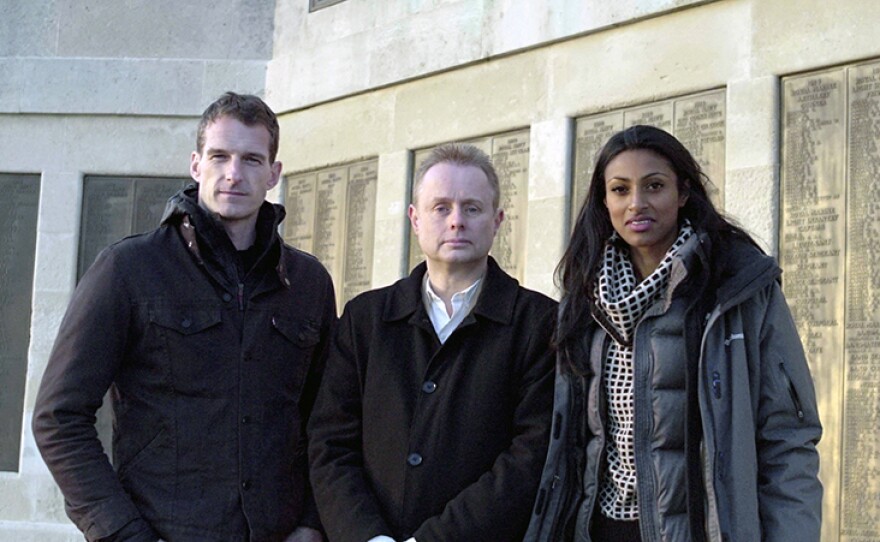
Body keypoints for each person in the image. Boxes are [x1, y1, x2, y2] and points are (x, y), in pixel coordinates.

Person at [33, 92, 335, 542]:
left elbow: (327, 419)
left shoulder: (307, 283)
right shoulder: (128, 270)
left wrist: (312, 524)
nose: (233, 174)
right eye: (220, 156)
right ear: (196, 165)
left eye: (252, 160)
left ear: (273, 174)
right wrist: (121, 532)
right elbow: (59, 416)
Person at [524, 125, 822, 542]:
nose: (636, 203)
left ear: (683, 194)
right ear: (604, 200)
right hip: (596, 529)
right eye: (620, 189)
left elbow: (787, 438)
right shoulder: (583, 301)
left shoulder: (738, 290)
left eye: (654, 186)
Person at [308, 143, 557, 542]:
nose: (456, 221)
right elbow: (330, 443)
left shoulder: (538, 323)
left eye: (472, 208)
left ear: (497, 220)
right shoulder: (365, 320)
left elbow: (530, 456)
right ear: (415, 219)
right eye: (441, 207)